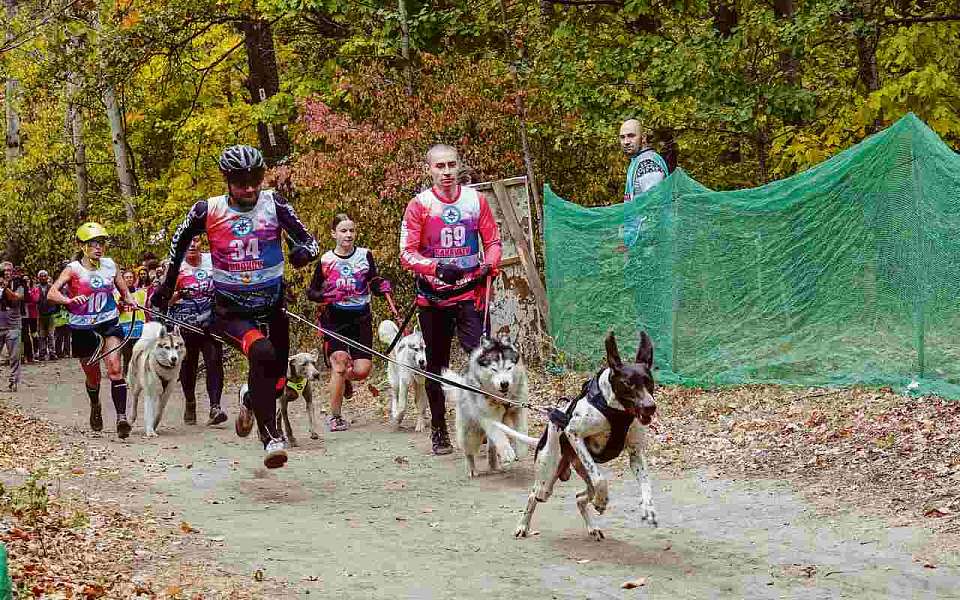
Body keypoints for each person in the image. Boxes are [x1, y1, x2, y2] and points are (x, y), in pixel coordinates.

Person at [151, 144, 319, 468]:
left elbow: (309, 241)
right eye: (241, 181)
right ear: (226, 179)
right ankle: (270, 437)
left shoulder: (274, 203)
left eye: (255, 179)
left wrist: (303, 253)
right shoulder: (207, 210)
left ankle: (248, 398)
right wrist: (167, 284)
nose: (250, 188)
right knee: (262, 353)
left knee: (278, 380)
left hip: (273, 307)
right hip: (232, 312)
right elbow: (179, 244)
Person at [399, 144, 502, 455]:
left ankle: (484, 423)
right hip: (433, 299)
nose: (446, 172)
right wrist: (435, 267)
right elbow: (406, 253)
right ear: (429, 169)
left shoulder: (476, 200)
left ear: (460, 167)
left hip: (470, 295)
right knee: (436, 366)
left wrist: (489, 265)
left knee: (482, 360)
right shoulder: (419, 205)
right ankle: (439, 429)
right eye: (439, 166)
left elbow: (493, 241)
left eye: (451, 165)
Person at [47, 223, 136, 438]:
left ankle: (121, 418)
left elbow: (124, 291)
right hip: (82, 326)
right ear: (82, 246)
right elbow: (51, 293)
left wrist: (131, 301)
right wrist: (68, 300)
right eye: (93, 244)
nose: (98, 248)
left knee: (115, 369)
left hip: (108, 322)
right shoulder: (73, 269)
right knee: (93, 376)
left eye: (101, 244)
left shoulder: (110, 265)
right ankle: (95, 405)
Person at [307, 213, 393, 432]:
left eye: (351, 230)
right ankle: (335, 417)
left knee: (363, 370)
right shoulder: (326, 260)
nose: (348, 235)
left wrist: (380, 286)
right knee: (339, 362)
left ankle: (345, 379)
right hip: (334, 318)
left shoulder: (365, 255)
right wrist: (326, 296)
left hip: (360, 317)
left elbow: (373, 281)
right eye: (343, 231)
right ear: (333, 234)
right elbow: (312, 292)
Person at [168, 236, 226, 426]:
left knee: (214, 360)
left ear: (203, 242)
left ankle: (215, 406)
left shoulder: (213, 260)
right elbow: (162, 301)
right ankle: (190, 401)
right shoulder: (174, 265)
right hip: (185, 324)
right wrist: (177, 295)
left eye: (197, 240)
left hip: (210, 321)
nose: (192, 244)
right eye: (188, 241)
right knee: (188, 365)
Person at [619, 119, 668, 247]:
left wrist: (643, 245)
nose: (626, 142)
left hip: (648, 244)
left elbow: (654, 209)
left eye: (631, 136)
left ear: (643, 138)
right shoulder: (637, 160)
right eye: (622, 137)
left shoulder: (647, 163)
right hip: (638, 240)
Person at [117, 269, 148, 376]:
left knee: (139, 353)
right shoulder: (117, 294)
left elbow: (144, 306)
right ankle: (127, 375)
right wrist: (120, 304)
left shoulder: (141, 292)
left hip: (139, 327)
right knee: (126, 354)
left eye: (131, 277)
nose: (129, 279)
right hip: (124, 328)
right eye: (127, 277)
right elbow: (116, 311)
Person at [0, 261, 25, 391]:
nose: (7, 272)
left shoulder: (18, 283)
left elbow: (17, 298)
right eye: (4, 270)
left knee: (14, 356)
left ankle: (13, 381)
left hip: (13, 325)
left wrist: (5, 288)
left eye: (9, 270)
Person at [36, 270, 58, 360]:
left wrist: (54, 309)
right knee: (41, 335)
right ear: (38, 278)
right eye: (41, 276)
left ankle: (52, 352)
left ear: (47, 277)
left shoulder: (52, 287)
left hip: (51, 313)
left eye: (45, 275)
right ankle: (42, 353)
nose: (43, 277)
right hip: (40, 314)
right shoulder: (36, 288)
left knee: (51, 334)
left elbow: (56, 299)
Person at [21, 273, 38, 363]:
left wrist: (28, 290)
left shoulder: (33, 289)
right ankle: (25, 355)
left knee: (34, 334)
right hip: (24, 316)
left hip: (32, 315)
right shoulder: (21, 289)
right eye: (24, 280)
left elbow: (35, 300)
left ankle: (35, 352)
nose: (26, 281)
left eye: (27, 279)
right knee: (24, 335)